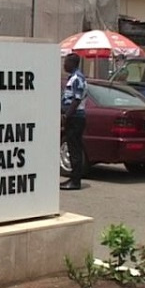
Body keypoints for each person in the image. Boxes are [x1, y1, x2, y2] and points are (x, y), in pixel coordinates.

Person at [61, 53, 88, 190]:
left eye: (66, 62)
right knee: (72, 148)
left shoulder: (77, 78)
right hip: (74, 116)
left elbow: (76, 100)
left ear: (72, 63)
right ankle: (73, 178)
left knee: (75, 149)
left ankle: (75, 181)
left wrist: (66, 116)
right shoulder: (73, 78)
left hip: (75, 117)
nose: (64, 65)